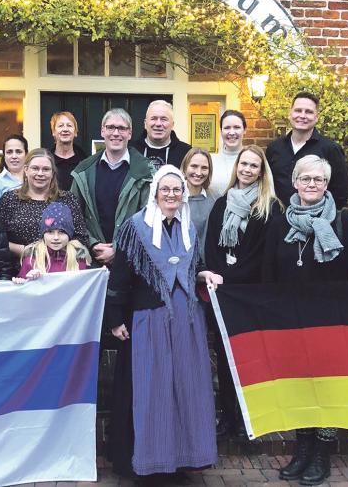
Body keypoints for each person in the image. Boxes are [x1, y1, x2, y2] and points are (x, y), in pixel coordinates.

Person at [104, 165, 224, 478]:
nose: (171, 194)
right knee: (151, 390)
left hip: (186, 322)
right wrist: (115, 318)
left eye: (176, 190)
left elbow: (191, 268)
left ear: (183, 194)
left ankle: (182, 458)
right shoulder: (135, 227)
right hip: (149, 320)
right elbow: (120, 276)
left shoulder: (188, 229)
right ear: (155, 193)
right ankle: (148, 460)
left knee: (184, 388)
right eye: (165, 189)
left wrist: (204, 273)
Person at [262, 155, 348, 486]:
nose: (312, 185)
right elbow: (268, 273)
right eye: (306, 179)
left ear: (327, 184)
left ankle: (321, 453)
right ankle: (302, 449)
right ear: (294, 183)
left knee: (327, 387)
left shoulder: (344, 223)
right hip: (290, 320)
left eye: (319, 180)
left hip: (331, 321)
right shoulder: (279, 223)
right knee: (299, 386)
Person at [203, 144, 283, 436]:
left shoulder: (269, 207)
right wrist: (216, 274)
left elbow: (264, 254)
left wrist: (232, 276)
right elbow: (211, 245)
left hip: (250, 292)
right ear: (236, 167)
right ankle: (228, 416)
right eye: (243, 164)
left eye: (253, 166)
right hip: (223, 293)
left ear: (262, 172)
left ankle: (250, 417)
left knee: (250, 356)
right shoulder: (222, 203)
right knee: (224, 355)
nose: (247, 170)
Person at [70, 108, 154, 267]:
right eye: (110, 127)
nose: (116, 133)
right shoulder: (83, 171)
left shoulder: (145, 172)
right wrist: (92, 243)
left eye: (122, 128)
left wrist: (118, 249)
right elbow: (74, 215)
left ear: (129, 133)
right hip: (90, 261)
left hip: (131, 263)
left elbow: (149, 219)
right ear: (102, 131)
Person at [0, 148, 89, 258]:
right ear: (26, 170)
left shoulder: (67, 199)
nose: (40, 173)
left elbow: (82, 238)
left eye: (46, 169)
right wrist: (26, 251)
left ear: (53, 172)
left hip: (60, 268)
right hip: (19, 267)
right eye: (35, 168)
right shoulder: (9, 199)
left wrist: (55, 252)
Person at [265, 92, 348, 208]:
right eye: (298, 110)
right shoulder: (274, 148)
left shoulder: (331, 149)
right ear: (290, 114)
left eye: (309, 112)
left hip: (314, 221)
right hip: (277, 220)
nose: (302, 115)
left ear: (316, 117)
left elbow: (340, 194)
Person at [13, 202, 91, 283]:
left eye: (62, 232)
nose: (56, 237)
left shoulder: (78, 257)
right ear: (43, 234)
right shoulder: (32, 258)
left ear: (69, 235)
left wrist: (101, 274)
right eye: (50, 232)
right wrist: (23, 280)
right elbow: (22, 290)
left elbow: (87, 285)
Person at [133, 100, 192, 171]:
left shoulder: (187, 152)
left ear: (172, 125)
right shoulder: (131, 151)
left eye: (164, 119)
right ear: (145, 124)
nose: (158, 124)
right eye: (153, 118)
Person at [180, 148, 216, 258]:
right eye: (194, 166)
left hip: (207, 267)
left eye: (204, 168)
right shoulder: (172, 197)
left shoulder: (215, 199)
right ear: (185, 167)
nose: (199, 172)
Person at [0, 134, 28, 206]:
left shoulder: (35, 178)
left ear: (26, 154)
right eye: (9, 152)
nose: (14, 156)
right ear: (4, 155)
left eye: (18, 152)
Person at [209, 109, 246, 196]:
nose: (232, 132)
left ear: (244, 130)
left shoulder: (255, 160)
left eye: (237, 127)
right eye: (227, 128)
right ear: (221, 131)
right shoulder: (210, 160)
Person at [48, 111, 87, 190]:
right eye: (60, 126)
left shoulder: (85, 163)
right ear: (53, 132)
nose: (65, 129)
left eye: (69, 125)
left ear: (75, 132)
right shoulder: (47, 160)